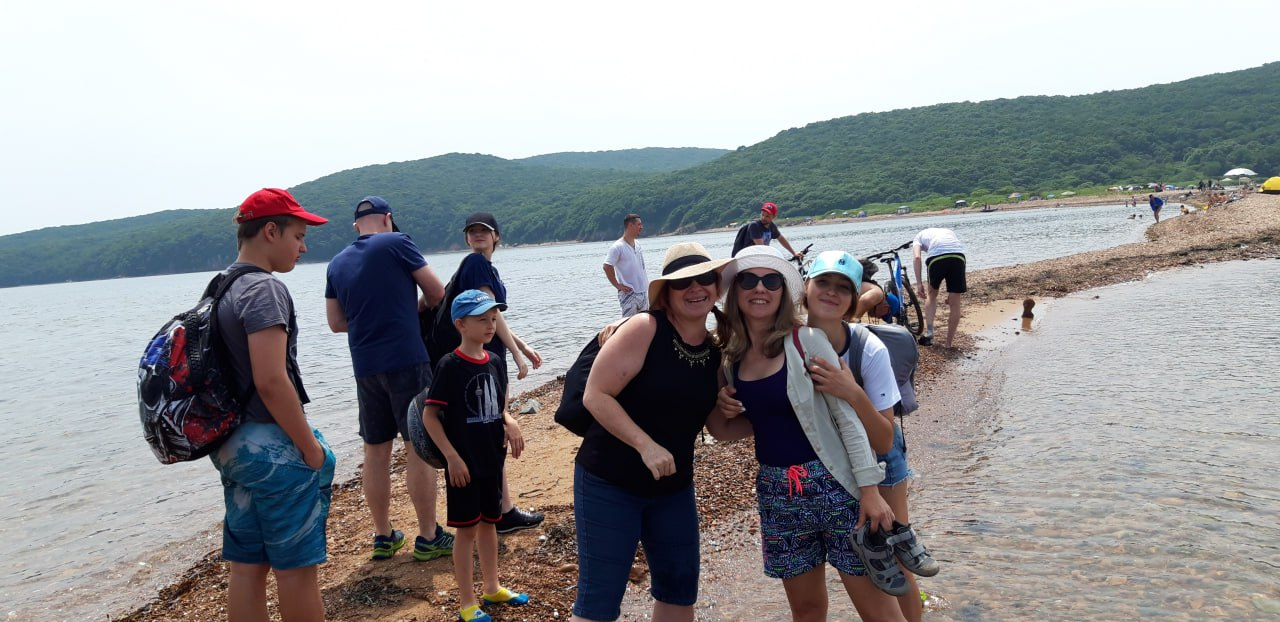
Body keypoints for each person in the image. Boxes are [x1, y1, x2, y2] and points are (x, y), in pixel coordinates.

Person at [708, 245, 904, 622]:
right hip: (778, 494)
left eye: (772, 281)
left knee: (879, 611)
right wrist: (718, 404)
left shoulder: (807, 341)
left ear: (784, 292)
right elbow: (728, 430)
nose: (760, 288)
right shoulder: (730, 356)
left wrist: (870, 491)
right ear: (735, 292)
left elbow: (846, 421)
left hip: (835, 487)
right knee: (807, 610)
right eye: (748, 280)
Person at [572, 242, 734, 622]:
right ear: (668, 292)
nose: (695, 288)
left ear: (716, 285)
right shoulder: (644, 328)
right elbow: (596, 395)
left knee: (679, 592)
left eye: (704, 278)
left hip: (673, 489)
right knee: (598, 602)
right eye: (682, 282)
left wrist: (772, 415)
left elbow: (719, 428)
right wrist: (645, 446)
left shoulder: (713, 353)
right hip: (610, 483)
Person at [212, 188, 334, 621]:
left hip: (231, 445)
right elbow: (270, 380)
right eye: (298, 236)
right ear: (269, 231)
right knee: (296, 570)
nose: (303, 248)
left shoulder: (220, 287)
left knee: (247, 566)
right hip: (271, 448)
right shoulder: (264, 289)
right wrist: (310, 448)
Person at [803, 251, 939, 622]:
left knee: (895, 552)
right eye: (823, 283)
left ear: (852, 299)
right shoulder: (791, 343)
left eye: (843, 288)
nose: (831, 293)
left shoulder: (868, 348)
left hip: (881, 459)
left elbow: (883, 438)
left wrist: (851, 391)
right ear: (805, 288)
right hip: (829, 461)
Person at [324, 196, 456, 561]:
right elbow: (437, 291)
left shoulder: (336, 263)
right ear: (388, 219)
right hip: (406, 358)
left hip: (365, 366)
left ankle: (383, 536)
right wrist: (410, 311)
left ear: (356, 226)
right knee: (417, 445)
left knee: (376, 450)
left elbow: (335, 323)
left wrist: (369, 321)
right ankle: (428, 536)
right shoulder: (397, 242)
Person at [419, 289, 531, 622]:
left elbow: (499, 405)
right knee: (466, 531)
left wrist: (510, 421)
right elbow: (429, 416)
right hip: (463, 466)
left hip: (492, 460)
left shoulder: (494, 361)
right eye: (482, 319)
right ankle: (467, 602)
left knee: (490, 524)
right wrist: (451, 457)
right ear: (460, 324)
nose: (490, 325)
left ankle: (492, 587)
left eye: (493, 319)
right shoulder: (450, 365)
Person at [451, 211, 545, 533]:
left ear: (496, 236)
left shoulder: (482, 268)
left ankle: (499, 507)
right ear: (467, 237)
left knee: (491, 429)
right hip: (484, 361)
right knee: (493, 430)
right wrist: (517, 353)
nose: (478, 235)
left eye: (484, 230)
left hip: (483, 356)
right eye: (472, 231)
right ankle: (500, 511)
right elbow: (490, 316)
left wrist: (521, 345)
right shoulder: (477, 264)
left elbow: (493, 318)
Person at [912, 227, 966, 348]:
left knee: (931, 296)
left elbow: (917, 258)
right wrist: (951, 294)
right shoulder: (948, 232)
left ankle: (929, 332)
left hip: (937, 257)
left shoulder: (918, 237)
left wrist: (919, 283)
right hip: (958, 256)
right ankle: (948, 343)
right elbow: (950, 253)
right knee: (955, 303)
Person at [602, 213, 649, 317]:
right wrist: (617, 285)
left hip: (643, 293)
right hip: (629, 294)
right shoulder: (617, 247)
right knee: (629, 324)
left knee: (645, 325)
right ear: (630, 225)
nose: (641, 227)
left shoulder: (638, 244)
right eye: (639, 224)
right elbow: (607, 266)